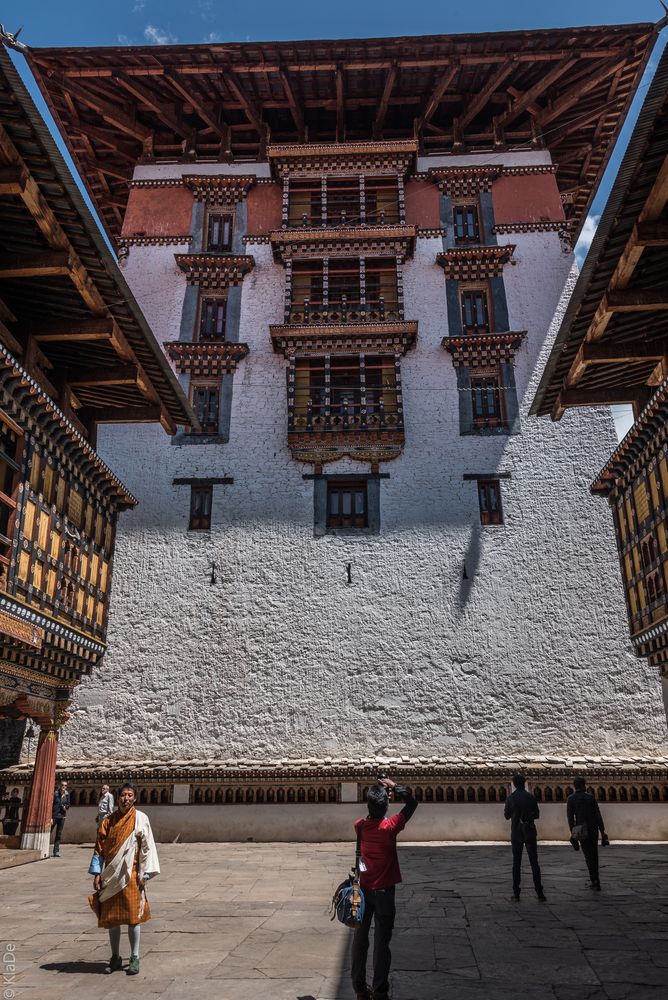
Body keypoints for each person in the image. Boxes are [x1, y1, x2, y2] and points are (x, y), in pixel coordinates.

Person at [351, 776, 418, 1000]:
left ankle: (359, 988)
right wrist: (394, 787)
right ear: (386, 805)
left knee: (360, 940)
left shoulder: (359, 826)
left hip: (364, 890)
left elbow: (361, 857)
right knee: (382, 943)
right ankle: (380, 991)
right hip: (385, 893)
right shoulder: (390, 827)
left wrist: (364, 870)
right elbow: (412, 804)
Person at [88, 781, 160, 976]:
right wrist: (96, 873)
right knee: (112, 919)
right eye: (123, 795)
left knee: (133, 918)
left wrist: (146, 873)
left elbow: (148, 846)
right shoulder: (108, 822)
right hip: (111, 875)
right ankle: (115, 956)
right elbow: (99, 848)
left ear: (135, 798)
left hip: (132, 874)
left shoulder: (141, 818)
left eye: (129, 795)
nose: (126, 798)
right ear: (117, 797)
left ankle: (134, 957)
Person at [504, 773, 546, 902]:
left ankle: (516, 893)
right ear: (524, 783)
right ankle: (540, 893)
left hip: (516, 833)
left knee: (516, 863)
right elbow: (537, 814)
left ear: (514, 784)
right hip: (529, 832)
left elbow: (506, 816)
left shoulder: (511, 798)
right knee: (534, 863)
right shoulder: (531, 797)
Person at [567, 776, 609, 891]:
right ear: (582, 785)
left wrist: (573, 833)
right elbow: (598, 815)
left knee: (588, 855)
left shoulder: (571, 799)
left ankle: (594, 880)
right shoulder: (590, 798)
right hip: (593, 828)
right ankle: (596, 879)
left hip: (581, 829)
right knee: (594, 854)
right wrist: (602, 831)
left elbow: (570, 818)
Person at [51, 780, 70, 857]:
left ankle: (56, 851)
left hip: (62, 816)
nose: (64, 787)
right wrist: (50, 817)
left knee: (58, 834)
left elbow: (68, 804)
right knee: (49, 831)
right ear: (60, 785)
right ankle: (44, 848)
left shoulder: (67, 795)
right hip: (54, 816)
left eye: (65, 786)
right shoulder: (55, 794)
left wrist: (66, 807)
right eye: (62, 785)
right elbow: (51, 805)